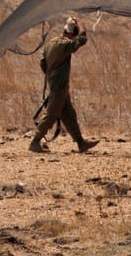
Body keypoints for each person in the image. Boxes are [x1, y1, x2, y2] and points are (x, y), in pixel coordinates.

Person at [29, 16, 98, 154]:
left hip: (56, 84)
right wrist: (81, 23)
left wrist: (51, 76)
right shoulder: (65, 44)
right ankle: (35, 142)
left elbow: (42, 63)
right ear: (72, 34)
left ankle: (80, 143)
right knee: (51, 114)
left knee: (69, 115)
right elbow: (82, 40)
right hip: (59, 86)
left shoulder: (51, 43)